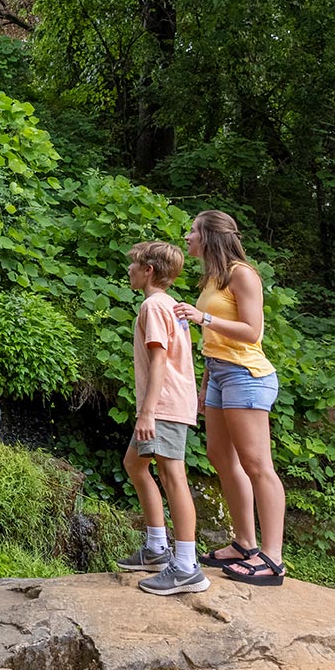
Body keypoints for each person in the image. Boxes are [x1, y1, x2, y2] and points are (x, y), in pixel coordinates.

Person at [173, 210, 285, 586]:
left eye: (193, 231)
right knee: (221, 457)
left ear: (211, 237)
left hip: (247, 376)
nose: (187, 237)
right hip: (220, 374)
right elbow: (215, 342)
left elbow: (252, 332)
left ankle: (272, 558)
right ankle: (244, 544)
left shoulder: (243, 274)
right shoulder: (214, 277)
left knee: (257, 464)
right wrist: (206, 385)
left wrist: (202, 319)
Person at [119, 241, 208, 595]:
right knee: (135, 464)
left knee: (173, 476)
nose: (129, 270)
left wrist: (147, 412)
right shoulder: (171, 305)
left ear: (149, 271)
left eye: (134, 265)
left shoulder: (154, 306)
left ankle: (186, 566)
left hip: (164, 405)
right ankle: (157, 547)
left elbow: (159, 361)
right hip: (168, 403)